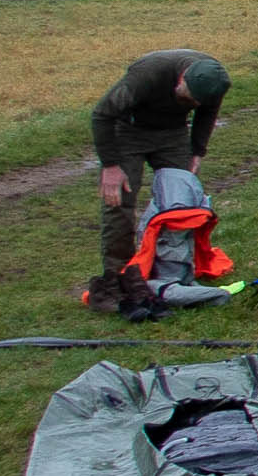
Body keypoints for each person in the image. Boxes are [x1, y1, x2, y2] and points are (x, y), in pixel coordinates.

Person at [87, 50, 230, 311]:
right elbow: (102, 114)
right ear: (182, 77)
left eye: (191, 102)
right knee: (119, 204)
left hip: (172, 134)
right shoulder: (148, 74)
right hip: (128, 131)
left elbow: (207, 113)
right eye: (183, 95)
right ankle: (116, 281)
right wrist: (110, 165)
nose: (185, 100)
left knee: (182, 206)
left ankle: (172, 274)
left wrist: (197, 151)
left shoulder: (214, 79)